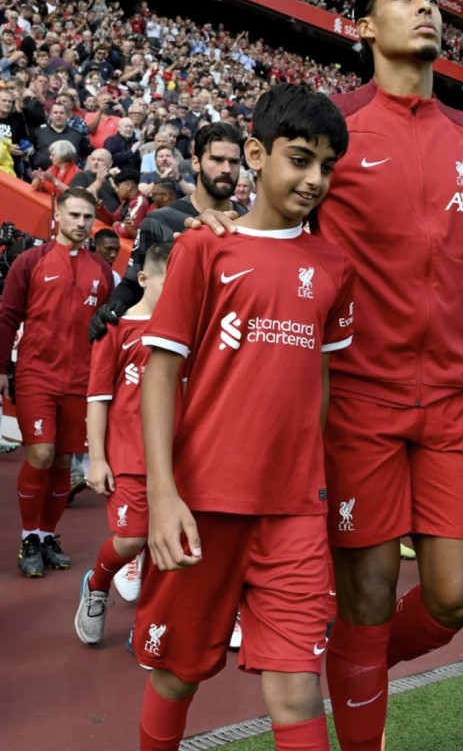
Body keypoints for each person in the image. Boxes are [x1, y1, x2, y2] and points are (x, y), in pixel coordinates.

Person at [191, 0, 463, 750]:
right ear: (362, 24)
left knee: (457, 596)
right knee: (368, 598)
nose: (426, 9)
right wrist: (226, 230)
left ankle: (348, 668)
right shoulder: (340, 129)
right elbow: (281, 215)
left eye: (432, 1)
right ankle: (357, 694)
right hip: (357, 399)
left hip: (452, 406)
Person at [133, 83, 355, 751]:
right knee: (177, 672)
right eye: (299, 159)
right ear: (256, 153)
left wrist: (314, 480)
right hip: (204, 502)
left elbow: (318, 383)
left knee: (297, 688)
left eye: (326, 166)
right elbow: (160, 374)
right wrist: (164, 496)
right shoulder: (205, 250)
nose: (314, 179)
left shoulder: (335, 266)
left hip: (295, 510)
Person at [0, 188, 113, 577]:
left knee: (64, 459)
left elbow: (109, 332)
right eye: (75, 216)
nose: (82, 224)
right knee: (41, 454)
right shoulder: (30, 261)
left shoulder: (102, 271)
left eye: (87, 218)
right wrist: (1, 367)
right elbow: (8, 315)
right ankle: (29, 536)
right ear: (58, 216)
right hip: (36, 375)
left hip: (81, 381)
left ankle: (48, 536)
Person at [75, 242, 171, 644]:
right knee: (132, 539)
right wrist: (96, 459)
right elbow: (97, 399)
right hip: (129, 456)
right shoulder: (116, 328)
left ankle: (146, 627)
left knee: (166, 545)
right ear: (144, 278)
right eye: (169, 278)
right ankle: (97, 584)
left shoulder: (190, 330)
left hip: (176, 458)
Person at [87, 122, 246, 335]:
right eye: (217, 160)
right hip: (174, 342)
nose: (227, 169)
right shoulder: (160, 221)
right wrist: (112, 308)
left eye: (234, 162)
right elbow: (134, 282)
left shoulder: (250, 222)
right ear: (196, 163)